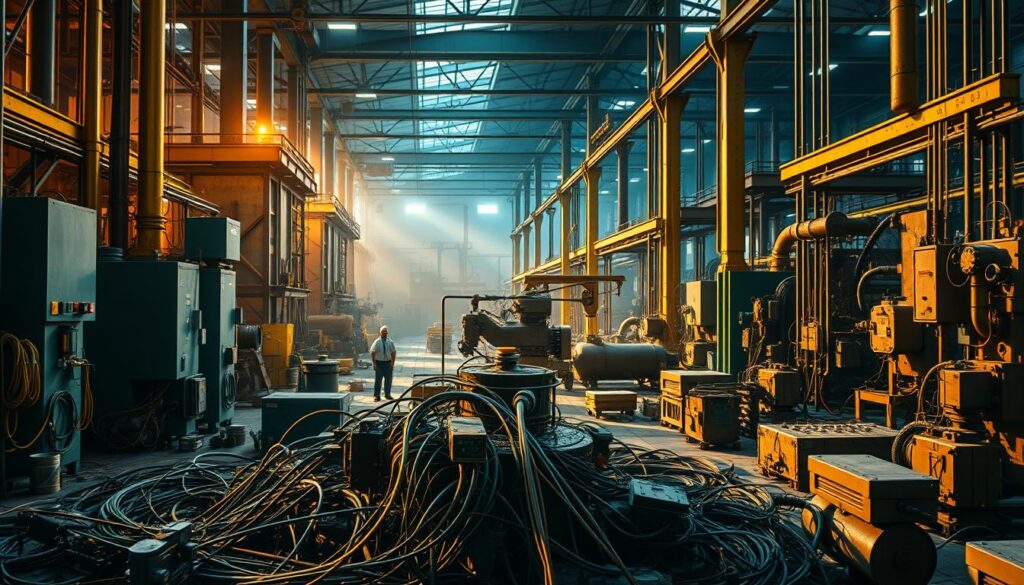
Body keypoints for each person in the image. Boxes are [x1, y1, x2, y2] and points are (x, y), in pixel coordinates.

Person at [370, 325, 397, 401]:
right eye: (383, 332)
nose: (385, 333)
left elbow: (393, 352)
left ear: (387, 333)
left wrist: (392, 363)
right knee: (378, 380)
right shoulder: (377, 342)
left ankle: (387, 394)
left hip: (388, 363)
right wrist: (374, 363)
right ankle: (377, 395)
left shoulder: (390, 342)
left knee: (388, 380)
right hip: (379, 364)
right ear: (380, 333)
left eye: (386, 332)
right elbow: (372, 352)